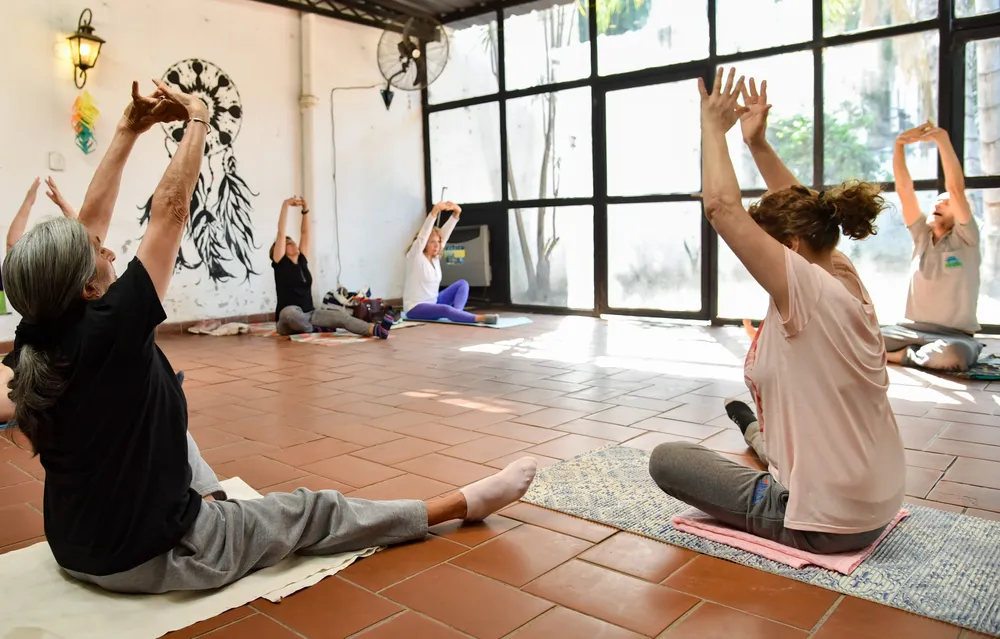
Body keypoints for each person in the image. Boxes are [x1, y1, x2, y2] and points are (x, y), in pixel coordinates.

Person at [1, 80, 538, 595]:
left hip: (75, 547)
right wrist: (197, 118)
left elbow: (86, 236)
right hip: (157, 554)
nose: (111, 250)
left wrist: (126, 131)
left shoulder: (34, 334)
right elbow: (169, 212)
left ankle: (212, 501)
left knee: (173, 419)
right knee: (312, 512)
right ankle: (458, 505)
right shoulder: (112, 327)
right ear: (90, 288)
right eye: (101, 253)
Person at [649, 69, 905, 554]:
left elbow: (723, 208)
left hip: (827, 522)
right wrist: (758, 144)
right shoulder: (838, 268)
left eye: (766, 246)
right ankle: (753, 429)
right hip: (879, 498)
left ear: (786, 246)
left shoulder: (805, 291)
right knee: (771, 441)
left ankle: (759, 444)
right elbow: (808, 208)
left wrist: (712, 128)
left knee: (668, 459)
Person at [880, 121, 982, 372]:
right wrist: (899, 145)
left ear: (959, 213)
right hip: (907, 330)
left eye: (946, 203)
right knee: (857, 339)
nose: (938, 204)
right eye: (936, 201)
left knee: (955, 356)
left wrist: (942, 140)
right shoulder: (921, 237)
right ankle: (909, 354)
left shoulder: (966, 239)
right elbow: (904, 190)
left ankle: (896, 357)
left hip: (954, 337)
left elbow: (955, 189)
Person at [0, 178, 80, 423]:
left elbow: (85, 240)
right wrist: (29, 200)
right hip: (30, 355)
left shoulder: (78, 279)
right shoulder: (35, 282)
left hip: (61, 363)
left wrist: (63, 206)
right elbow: (13, 245)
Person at [272, 196, 392, 338]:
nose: (292, 243)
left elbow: (305, 233)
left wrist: (305, 210)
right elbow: (281, 233)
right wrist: (285, 205)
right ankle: (315, 329)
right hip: (288, 320)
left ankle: (377, 330)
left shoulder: (302, 260)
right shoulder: (280, 263)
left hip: (311, 314)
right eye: (288, 243)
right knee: (289, 313)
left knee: (340, 316)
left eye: (292, 241)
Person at [404, 202, 497, 324]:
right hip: (415, 308)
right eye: (432, 242)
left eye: (438, 242)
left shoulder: (435, 258)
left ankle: (458, 314)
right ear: (425, 243)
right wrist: (434, 212)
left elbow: (445, 235)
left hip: (434, 303)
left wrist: (456, 214)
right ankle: (477, 318)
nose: (437, 245)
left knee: (462, 284)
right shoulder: (415, 256)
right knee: (445, 309)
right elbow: (423, 235)